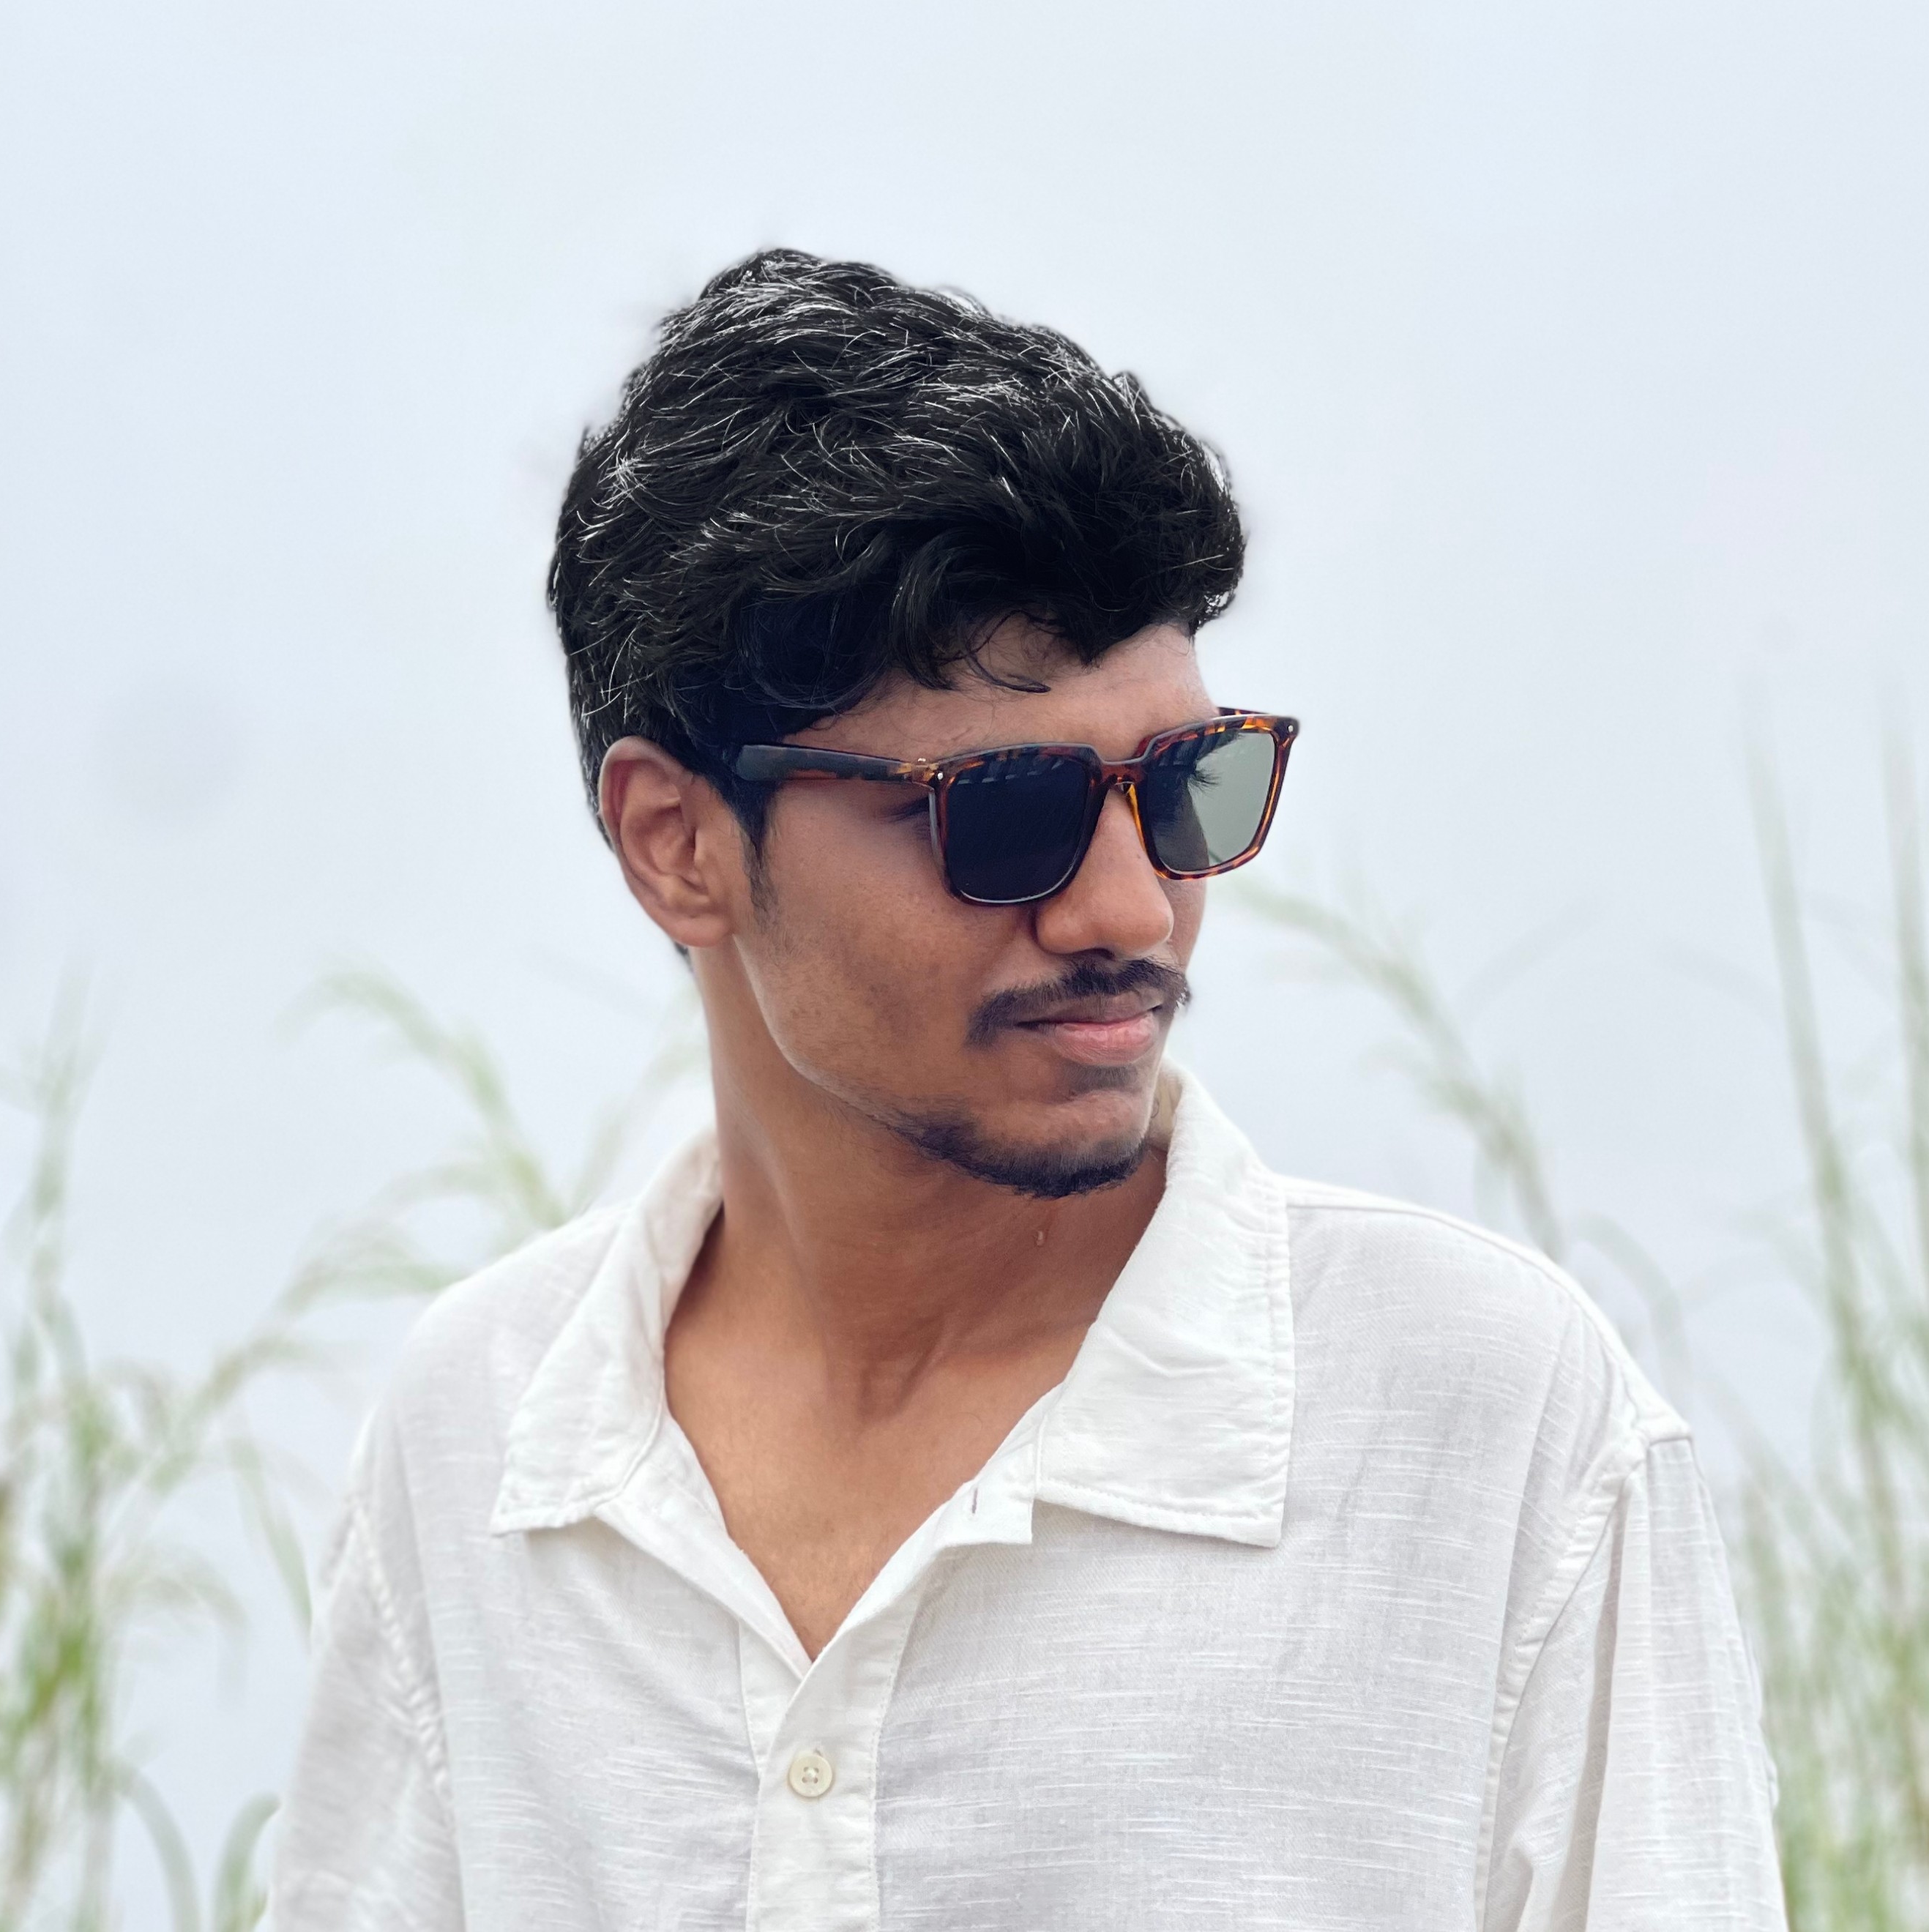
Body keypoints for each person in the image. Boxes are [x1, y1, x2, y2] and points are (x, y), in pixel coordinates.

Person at [271, 250, 1786, 1931]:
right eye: (1004, 813)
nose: (1131, 911)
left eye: (1192, 787)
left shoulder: (1480, 1427)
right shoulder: (483, 1434)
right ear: (677, 842)